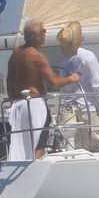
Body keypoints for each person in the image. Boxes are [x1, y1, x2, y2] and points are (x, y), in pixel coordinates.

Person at [6, 20, 79, 159]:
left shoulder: (15, 54)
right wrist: (71, 78)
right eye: (43, 31)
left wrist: (12, 100)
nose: (45, 34)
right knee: (39, 144)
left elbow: (9, 80)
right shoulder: (37, 56)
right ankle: (35, 165)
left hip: (17, 105)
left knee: (19, 144)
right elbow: (54, 82)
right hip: (35, 105)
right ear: (38, 35)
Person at [55, 21, 99, 150]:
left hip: (68, 110)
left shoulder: (63, 59)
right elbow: (97, 86)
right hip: (88, 109)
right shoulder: (88, 56)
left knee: (72, 148)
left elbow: (62, 87)